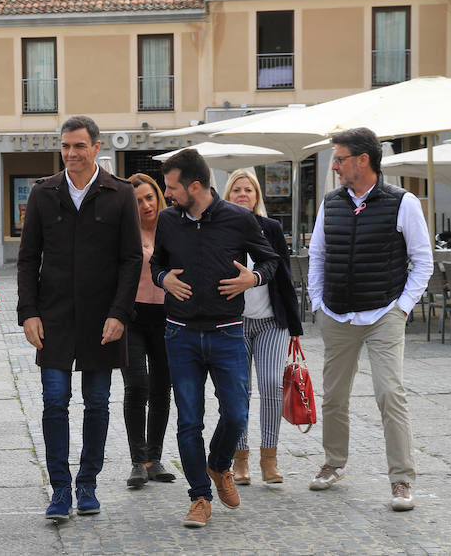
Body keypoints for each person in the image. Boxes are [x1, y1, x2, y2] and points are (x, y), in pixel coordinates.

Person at [17, 115, 141, 520]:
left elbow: (131, 259)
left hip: (103, 321)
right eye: (66, 146)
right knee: (54, 402)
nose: (71, 154)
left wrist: (121, 313)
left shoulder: (120, 194)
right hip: (52, 319)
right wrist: (28, 313)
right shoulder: (43, 193)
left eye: (79, 146)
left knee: (98, 404)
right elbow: (27, 258)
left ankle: (87, 484)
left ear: (96, 148)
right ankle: (59, 490)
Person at [150, 149, 279, 529]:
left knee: (237, 414)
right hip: (180, 334)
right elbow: (157, 263)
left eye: (172, 187)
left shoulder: (238, 219)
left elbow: (271, 260)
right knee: (189, 421)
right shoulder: (168, 220)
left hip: (227, 334)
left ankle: (219, 464)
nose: (168, 194)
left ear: (195, 186)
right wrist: (163, 280)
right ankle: (199, 497)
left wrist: (252, 278)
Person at [307, 128, 432, 511]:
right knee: (334, 397)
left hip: (383, 313)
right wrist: (317, 303)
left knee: (389, 393)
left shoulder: (403, 202)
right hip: (337, 313)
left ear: (363, 160)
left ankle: (401, 479)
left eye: (340, 158)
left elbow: (423, 261)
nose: (335, 166)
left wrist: (402, 308)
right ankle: (334, 463)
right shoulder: (331, 202)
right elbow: (318, 255)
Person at [223, 168, 303, 485]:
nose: (243, 195)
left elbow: (283, 277)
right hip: (234, 322)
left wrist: (295, 327)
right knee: (238, 390)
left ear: (257, 197)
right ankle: (239, 459)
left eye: (249, 190)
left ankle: (269, 458)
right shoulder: (219, 229)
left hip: (272, 321)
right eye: (237, 190)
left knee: (270, 384)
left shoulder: (270, 228)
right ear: (228, 196)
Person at [121, 174, 176, 488]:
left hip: (168, 317)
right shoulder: (126, 234)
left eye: (150, 197)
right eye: (138, 200)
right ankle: (137, 460)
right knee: (137, 385)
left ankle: (153, 458)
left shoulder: (172, 230)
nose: (145, 205)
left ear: (159, 197)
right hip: (133, 316)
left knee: (161, 388)